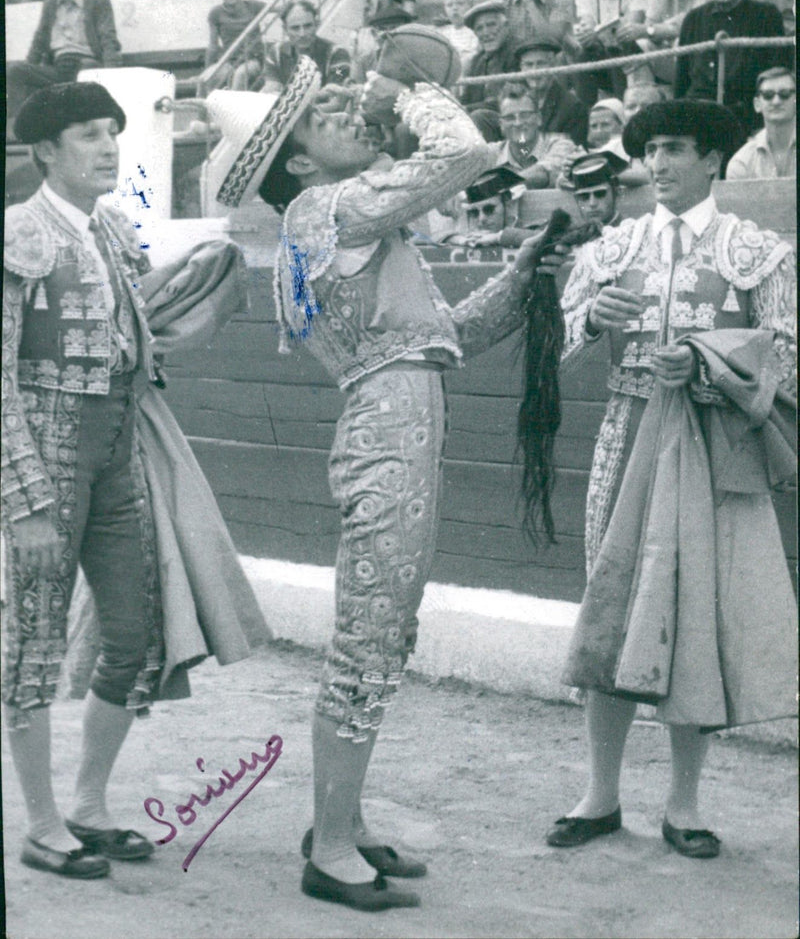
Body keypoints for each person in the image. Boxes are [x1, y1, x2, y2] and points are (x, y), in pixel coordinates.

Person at [255, 52, 566, 910]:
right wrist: (404, 91)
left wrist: (523, 269)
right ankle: (327, 849)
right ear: (299, 163)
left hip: (395, 422)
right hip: (388, 437)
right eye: (328, 116)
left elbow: (448, 338)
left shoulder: (340, 225)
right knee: (368, 633)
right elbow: (463, 150)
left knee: (382, 634)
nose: (353, 115)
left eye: (350, 105)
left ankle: (341, 825)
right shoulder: (327, 209)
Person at [3, 80, 268, 882]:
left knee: (133, 634)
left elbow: (136, 333)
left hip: (118, 452)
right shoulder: (17, 233)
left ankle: (87, 805)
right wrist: (23, 503)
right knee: (34, 648)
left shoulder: (114, 229)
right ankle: (42, 824)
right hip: (48, 457)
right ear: (46, 150)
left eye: (113, 132)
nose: (109, 146)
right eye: (89, 134)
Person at [548, 98, 797, 859]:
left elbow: (786, 353)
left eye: (674, 148)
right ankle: (600, 794)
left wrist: (709, 361)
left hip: (711, 438)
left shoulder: (755, 250)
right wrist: (596, 318)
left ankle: (684, 805)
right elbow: (563, 347)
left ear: (713, 158)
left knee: (695, 616)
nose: (656, 163)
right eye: (650, 148)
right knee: (613, 606)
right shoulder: (612, 248)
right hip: (626, 434)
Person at [675, 0, 789, 140]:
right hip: (697, 112)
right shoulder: (694, 18)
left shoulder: (766, 15)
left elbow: (778, 70)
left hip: (745, 113)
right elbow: (682, 76)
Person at [7, 0, 122, 128]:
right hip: (58, 68)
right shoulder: (50, 3)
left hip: (87, 64)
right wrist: (30, 67)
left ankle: (84, 129)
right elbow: (39, 41)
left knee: (86, 71)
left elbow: (108, 38)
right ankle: (17, 129)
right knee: (16, 71)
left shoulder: (97, 0)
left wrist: (112, 75)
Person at [567, 0, 657, 107]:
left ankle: (623, 110)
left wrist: (595, 33)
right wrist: (586, 35)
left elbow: (630, 27)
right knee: (583, 53)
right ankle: (585, 114)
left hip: (639, 54)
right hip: (605, 55)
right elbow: (588, 25)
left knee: (617, 47)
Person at [493, 81, 576, 186]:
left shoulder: (561, 145)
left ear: (539, 118)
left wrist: (496, 187)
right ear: (501, 124)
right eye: (510, 118)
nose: (518, 123)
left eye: (525, 115)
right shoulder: (491, 154)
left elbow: (542, 173)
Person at [259, 0, 350, 92]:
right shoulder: (276, 53)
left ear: (316, 25)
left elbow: (333, 92)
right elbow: (272, 87)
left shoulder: (337, 53)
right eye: (295, 28)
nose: (302, 34)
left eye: (308, 26)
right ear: (285, 29)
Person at [514, 38, 589, 147]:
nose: (534, 71)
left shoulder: (573, 107)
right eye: (529, 65)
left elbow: (572, 152)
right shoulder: (516, 105)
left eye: (540, 64)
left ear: (553, 65)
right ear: (521, 68)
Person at [203, 0, 266, 94]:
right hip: (230, 61)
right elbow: (213, 46)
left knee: (240, 74)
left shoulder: (253, 6)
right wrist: (209, 69)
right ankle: (201, 110)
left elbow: (280, 8)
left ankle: (234, 110)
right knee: (205, 78)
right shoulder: (216, 13)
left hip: (253, 60)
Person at [726, 67, 796, 180]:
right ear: (757, 104)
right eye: (768, 95)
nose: (776, 101)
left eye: (785, 94)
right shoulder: (742, 163)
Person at [460, 2, 520, 112]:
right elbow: (465, 99)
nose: (486, 32)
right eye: (479, 28)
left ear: (506, 25)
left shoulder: (517, 54)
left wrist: (465, 109)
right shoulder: (477, 61)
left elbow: (506, 100)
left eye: (491, 25)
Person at [561, 151, 628, 226]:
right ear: (576, 199)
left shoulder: (633, 232)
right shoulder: (575, 235)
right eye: (584, 196)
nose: (592, 203)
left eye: (600, 194)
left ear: (618, 193)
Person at [439, 0, 480, 72]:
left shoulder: (475, 31)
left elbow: (474, 56)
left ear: (471, 6)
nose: (454, 8)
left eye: (460, 4)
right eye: (449, 5)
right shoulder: (444, 33)